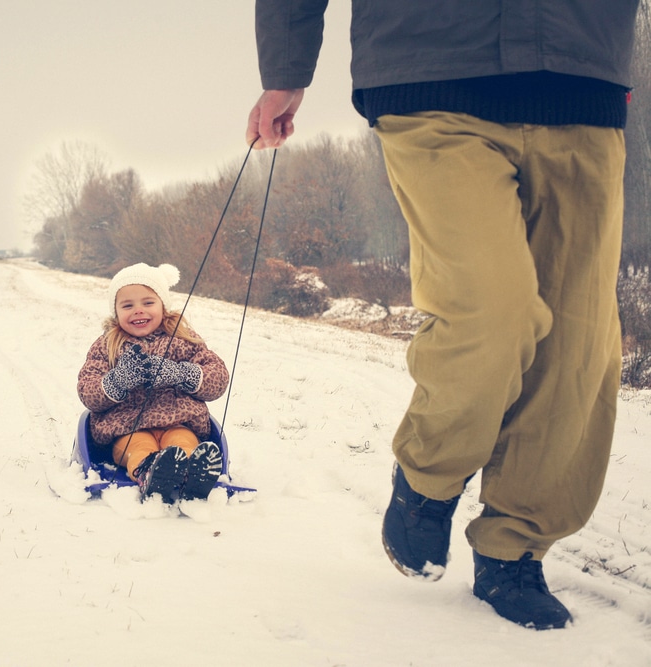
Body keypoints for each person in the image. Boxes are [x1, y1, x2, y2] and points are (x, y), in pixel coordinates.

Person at [246, 0, 638, 630]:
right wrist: (286, 67)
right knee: (491, 305)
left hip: (582, 73)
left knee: (578, 342)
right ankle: (429, 474)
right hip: (431, 64)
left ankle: (514, 548)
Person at [77, 263, 230, 503]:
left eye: (148, 303)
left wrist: (180, 374)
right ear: (116, 312)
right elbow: (88, 391)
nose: (138, 310)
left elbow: (218, 378)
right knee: (140, 448)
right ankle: (151, 472)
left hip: (179, 422)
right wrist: (119, 381)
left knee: (183, 443)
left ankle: (194, 473)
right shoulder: (107, 346)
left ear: (163, 306)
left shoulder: (183, 340)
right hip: (126, 428)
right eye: (127, 305)